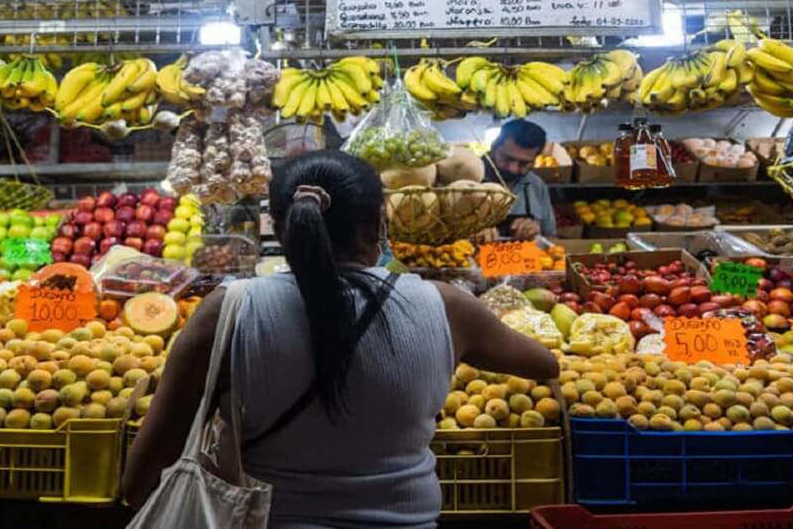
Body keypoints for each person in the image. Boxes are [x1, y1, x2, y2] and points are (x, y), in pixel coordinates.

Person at [122, 150, 559, 527]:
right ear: (376, 226)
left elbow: (139, 479)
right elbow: (545, 364)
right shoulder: (445, 307)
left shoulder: (228, 310)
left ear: (277, 225)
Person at [474, 119, 557, 243]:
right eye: (507, 159)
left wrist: (536, 234)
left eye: (524, 163)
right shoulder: (468, 177)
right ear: (493, 148)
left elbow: (552, 238)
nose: (513, 169)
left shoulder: (536, 185)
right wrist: (469, 233)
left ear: (535, 160)